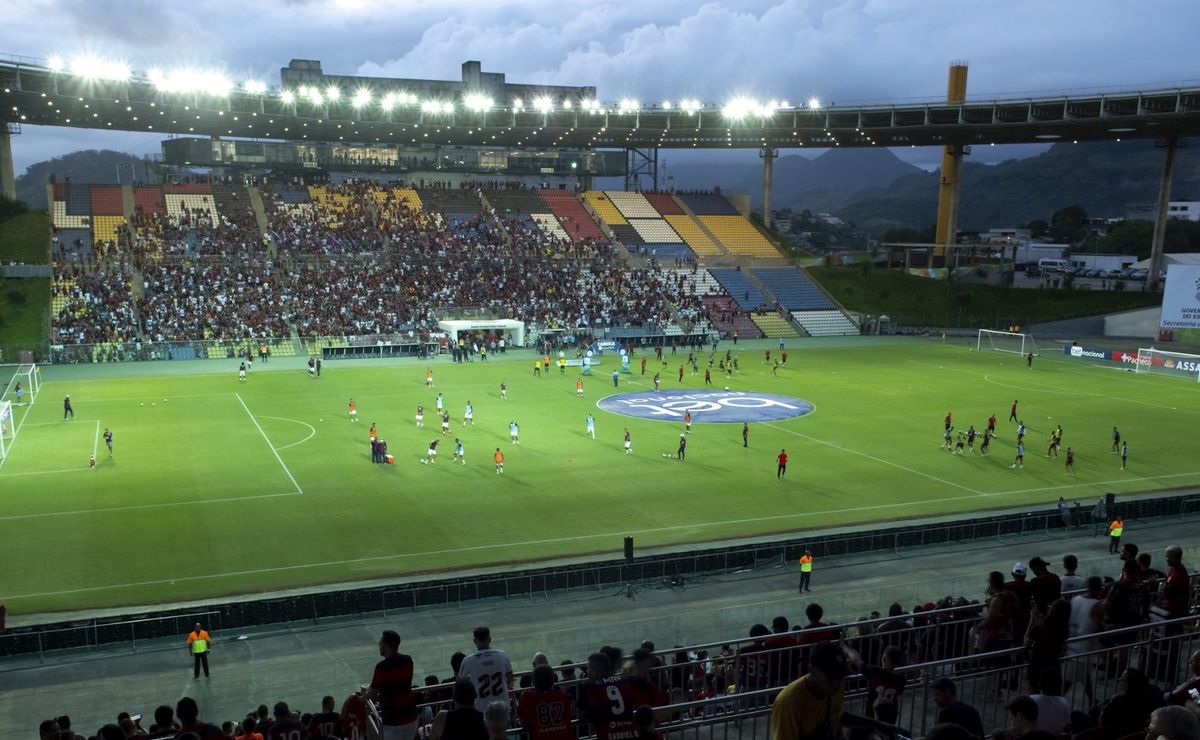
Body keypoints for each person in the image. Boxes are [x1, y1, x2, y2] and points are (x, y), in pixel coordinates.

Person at [770, 642, 851, 740]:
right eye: (831, 678)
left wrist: (874, 724)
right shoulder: (788, 702)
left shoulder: (836, 686)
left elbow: (837, 716)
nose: (837, 684)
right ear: (812, 670)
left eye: (841, 677)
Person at [579, 651, 667, 740]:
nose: (588, 672)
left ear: (596, 670)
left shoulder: (588, 687)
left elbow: (583, 716)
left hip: (607, 735)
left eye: (588, 668)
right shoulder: (625, 681)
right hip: (631, 733)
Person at [366, 630, 418, 740]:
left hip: (393, 720)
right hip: (411, 715)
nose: (379, 645)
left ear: (387, 645)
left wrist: (361, 697)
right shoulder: (408, 660)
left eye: (381, 642)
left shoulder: (382, 667)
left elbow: (371, 693)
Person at [458, 626, 514, 712]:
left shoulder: (468, 660)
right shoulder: (503, 656)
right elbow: (510, 678)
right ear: (490, 639)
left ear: (475, 641)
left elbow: (460, 682)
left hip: (481, 707)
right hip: (503, 706)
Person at [517, 665, 574, 740]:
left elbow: (524, 724)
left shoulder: (527, 697)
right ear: (553, 681)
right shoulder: (563, 696)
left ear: (533, 682)